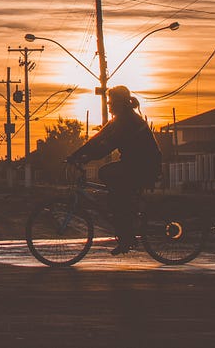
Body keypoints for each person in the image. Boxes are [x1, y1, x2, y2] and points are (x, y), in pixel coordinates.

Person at [67, 85, 162, 255]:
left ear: (120, 103)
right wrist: (76, 155)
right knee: (112, 180)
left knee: (108, 175)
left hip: (144, 166)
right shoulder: (120, 119)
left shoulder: (127, 121)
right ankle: (124, 221)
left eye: (111, 102)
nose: (109, 105)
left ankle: (126, 228)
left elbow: (107, 146)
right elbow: (98, 139)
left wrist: (86, 158)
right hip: (135, 164)